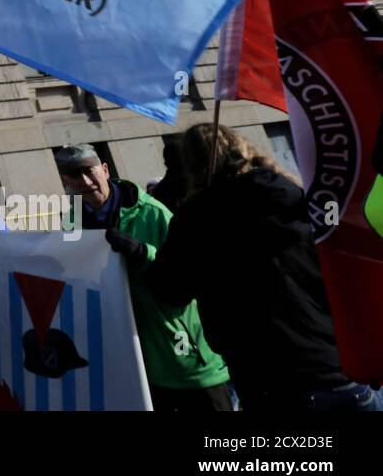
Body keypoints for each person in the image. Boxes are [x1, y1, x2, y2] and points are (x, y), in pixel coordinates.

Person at [124, 124, 383, 413]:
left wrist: (141, 253)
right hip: (341, 371)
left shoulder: (197, 219)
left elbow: (169, 289)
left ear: (190, 166)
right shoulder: (297, 196)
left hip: (273, 385)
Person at [54, 143, 234, 411]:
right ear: (65, 181)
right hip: (130, 363)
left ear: (104, 169)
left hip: (185, 358)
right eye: (73, 175)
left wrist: (142, 253)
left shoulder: (153, 212)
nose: (85, 181)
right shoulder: (70, 224)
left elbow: (191, 275)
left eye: (89, 171)